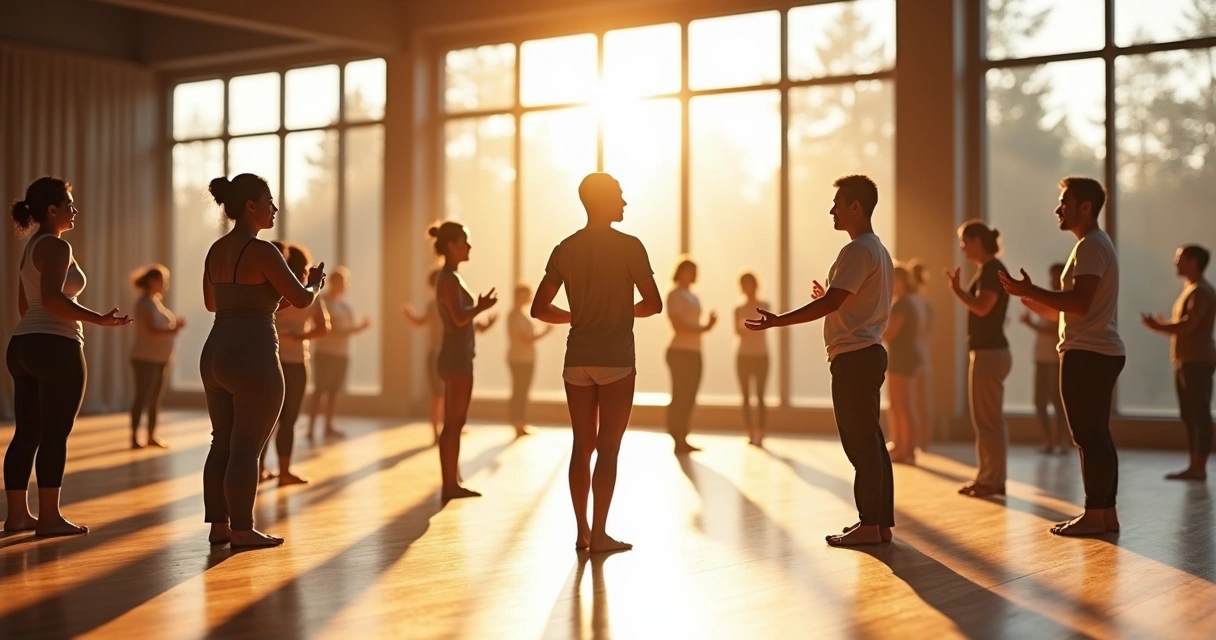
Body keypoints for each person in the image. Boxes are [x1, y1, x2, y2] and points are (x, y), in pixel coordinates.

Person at [746, 174, 894, 547]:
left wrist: (778, 321)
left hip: (854, 357)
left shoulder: (858, 250)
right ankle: (879, 524)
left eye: (837, 204)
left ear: (855, 207)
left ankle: (870, 524)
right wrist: (829, 297)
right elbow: (844, 300)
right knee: (872, 442)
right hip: (868, 353)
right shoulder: (877, 250)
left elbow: (832, 302)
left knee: (861, 445)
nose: (832, 211)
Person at [532, 172, 663, 553]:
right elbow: (654, 304)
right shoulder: (630, 247)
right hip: (616, 359)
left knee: (582, 445)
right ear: (604, 201)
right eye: (619, 196)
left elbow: (540, 309)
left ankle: (582, 532)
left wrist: (579, 315)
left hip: (577, 360)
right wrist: (618, 311)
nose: (625, 202)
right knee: (608, 448)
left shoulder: (565, 249)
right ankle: (601, 534)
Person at [201, 173, 325, 548]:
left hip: (215, 353)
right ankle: (242, 529)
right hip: (252, 355)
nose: (275, 209)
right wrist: (314, 283)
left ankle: (219, 527)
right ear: (251, 206)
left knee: (221, 443)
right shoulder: (263, 251)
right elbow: (302, 299)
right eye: (269, 202)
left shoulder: (216, 250)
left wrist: (265, 302)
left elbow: (213, 304)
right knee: (246, 448)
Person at [4, 177, 132, 536]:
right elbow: (52, 300)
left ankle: (17, 516)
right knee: (55, 433)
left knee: (26, 433)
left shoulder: (31, 247)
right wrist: (99, 319)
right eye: (69, 205)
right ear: (52, 210)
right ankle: (49, 518)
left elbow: (26, 306)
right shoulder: (58, 247)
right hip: (56, 346)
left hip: (22, 345)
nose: (75, 210)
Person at [1001, 176, 1124, 536]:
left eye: (1064, 202)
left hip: (1088, 353)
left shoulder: (1090, 246)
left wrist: (1033, 289)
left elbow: (1081, 304)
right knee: (1096, 435)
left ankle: (1095, 514)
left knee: (1088, 436)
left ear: (1085, 207)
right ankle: (1105, 514)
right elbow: (1073, 310)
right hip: (1097, 351)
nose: (1058, 209)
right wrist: (1034, 299)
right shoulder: (1093, 245)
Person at [430, 221, 497, 500]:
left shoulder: (450, 277)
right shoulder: (449, 279)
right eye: (464, 242)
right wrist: (479, 307)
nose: (468, 246)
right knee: (453, 423)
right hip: (456, 358)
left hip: (455, 355)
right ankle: (450, 485)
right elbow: (458, 318)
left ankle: (452, 480)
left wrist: (477, 309)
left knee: (455, 423)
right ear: (451, 246)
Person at [946, 220, 1011, 498]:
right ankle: (989, 476)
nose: (962, 248)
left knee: (988, 421)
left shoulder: (992, 270)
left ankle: (991, 479)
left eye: (964, 241)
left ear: (976, 241)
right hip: (990, 352)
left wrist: (958, 291)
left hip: (990, 353)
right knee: (987, 420)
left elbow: (984, 307)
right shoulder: (990, 269)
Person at [1141, 245, 1215, 481]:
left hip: (1196, 360)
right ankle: (1194, 466)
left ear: (1193, 261)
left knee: (1198, 414)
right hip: (1186, 360)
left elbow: (1189, 325)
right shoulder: (1192, 290)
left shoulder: (1200, 291)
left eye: (1179, 258)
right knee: (1190, 414)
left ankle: (1198, 467)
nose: (1175, 262)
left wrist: (1159, 327)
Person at [261, 242, 330, 485]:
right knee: (287, 419)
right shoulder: (307, 294)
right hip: (293, 362)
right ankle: (283, 472)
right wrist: (300, 337)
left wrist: (294, 336)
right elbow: (324, 327)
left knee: (267, 418)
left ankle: (262, 469)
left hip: (274, 360)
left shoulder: (275, 290)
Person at [308, 267, 371, 441]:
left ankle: (328, 426)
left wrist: (360, 328)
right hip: (325, 352)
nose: (343, 286)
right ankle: (311, 427)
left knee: (334, 391)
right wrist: (355, 329)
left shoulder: (346, 304)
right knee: (319, 390)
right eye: (339, 282)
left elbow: (348, 328)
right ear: (331, 282)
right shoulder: (322, 301)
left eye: (344, 282)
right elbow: (329, 328)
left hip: (342, 353)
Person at [129, 264, 185, 449]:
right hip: (146, 358)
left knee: (154, 399)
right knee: (142, 398)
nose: (166, 284)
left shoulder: (155, 302)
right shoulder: (145, 303)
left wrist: (173, 329)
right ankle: (135, 436)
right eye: (163, 280)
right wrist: (174, 329)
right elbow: (152, 330)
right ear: (152, 281)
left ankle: (151, 435)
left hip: (160, 359)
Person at [665, 257, 717, 454]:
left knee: (690, 396)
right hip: (679, 352)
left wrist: (707, 326)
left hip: (695, 351)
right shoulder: (674, 295)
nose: (693, 275)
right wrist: (705, 328)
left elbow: (692, 324)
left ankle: (683, 436)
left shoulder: (693, 296)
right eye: (690, 271)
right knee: (680, 394)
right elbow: (678, 325)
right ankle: (676, 436)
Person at [1019, 263, 1067, 454]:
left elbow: (1056, 330)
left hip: (1055, 360)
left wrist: (1031, 324)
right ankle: (1050, 441)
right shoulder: (1048, 299)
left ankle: (1061, 441)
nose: (1053, 280)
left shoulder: (1065, 301)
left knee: (1058, 402)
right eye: (1051, 276)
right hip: (1041, 357)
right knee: (1040, 402)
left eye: (1056, 276)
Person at [884, 263, 921, 464]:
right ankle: (900, 445)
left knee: (902, 405)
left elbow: (889, 334)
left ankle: (906, 448)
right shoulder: (903, 303)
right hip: (900, 359)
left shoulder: (903, 305)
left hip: (903, 360)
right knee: (897, 404)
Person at [402, 269, 445, 444]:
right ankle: (436, 432)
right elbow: (421, 322)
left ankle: (447, 428)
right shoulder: (434, 304)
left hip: (448, 354)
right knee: (438, 396)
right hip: (437, 355)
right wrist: (410, 316)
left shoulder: (449, 303)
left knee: (447, 396)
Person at [507, 282, 552, 438]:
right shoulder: (515, 316)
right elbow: (526, 339)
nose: (529, 297)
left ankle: (521, 422)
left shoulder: (522, 314)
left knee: (522, 391)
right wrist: (546, 332)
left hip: (525, 358)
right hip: (519, 359)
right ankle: (517, 423)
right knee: (519, 391)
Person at [734, 272, 771, 447]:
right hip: (743, 355)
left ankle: (761, 432)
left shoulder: (765, 305)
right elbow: (738, 331)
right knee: (746, 396)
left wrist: (748, 326)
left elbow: (764, 327)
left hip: (761, 355)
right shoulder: (738, 309)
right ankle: (749, 431)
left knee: (761, 395)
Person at [906, 261, 936, 450]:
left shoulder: (909, 302)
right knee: (922, 399)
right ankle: (923, 439)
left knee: (908, 401)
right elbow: (928, 331)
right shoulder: (925, 303)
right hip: (923, 354)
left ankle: (913, 440)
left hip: (911, 355)